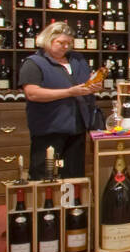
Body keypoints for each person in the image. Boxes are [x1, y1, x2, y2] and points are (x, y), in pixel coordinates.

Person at [19, 21, 103, 179]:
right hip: (49, 127)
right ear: (47, 40)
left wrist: (93, 86)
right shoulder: (33, 63)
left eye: (69, 43)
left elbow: (85, 83)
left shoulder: (77, 60)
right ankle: (45, 203)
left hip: (77, 126)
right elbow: (33, 94)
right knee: (44, 173)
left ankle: (74, 203)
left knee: (74, 174)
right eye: (61, 43)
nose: (65, 47)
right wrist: (70, 92)